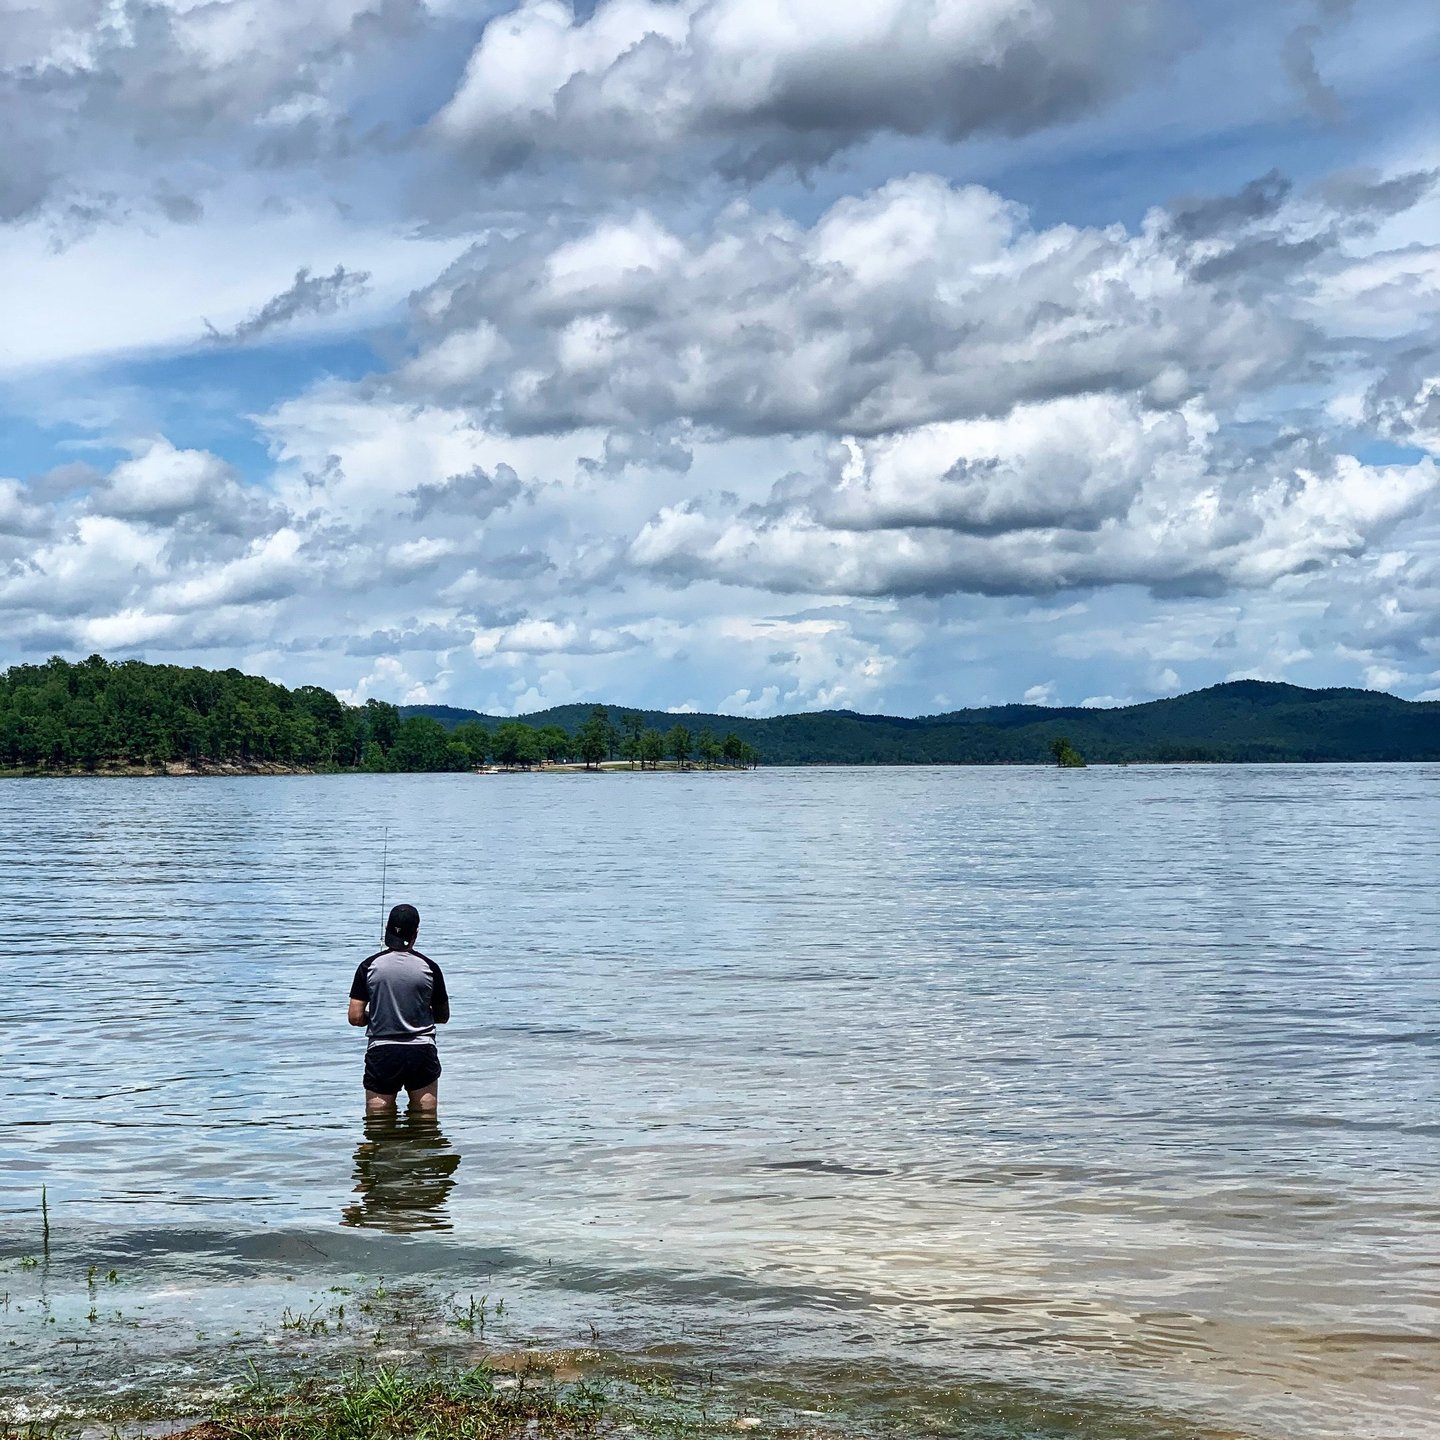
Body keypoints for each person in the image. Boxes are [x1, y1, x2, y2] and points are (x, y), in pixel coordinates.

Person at [348, 903, 450, 1113]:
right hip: (421, 1052)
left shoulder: (368, 966)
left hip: (382, 1052)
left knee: (378, 1122)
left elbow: (355, 1017)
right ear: (416, 932)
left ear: (387, 927)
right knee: (426, 1122)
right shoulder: (430, 968)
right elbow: (442, 1016)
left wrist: (380, 1016)